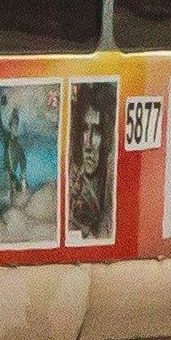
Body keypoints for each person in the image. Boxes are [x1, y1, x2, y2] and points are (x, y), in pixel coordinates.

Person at [68, 90, 113, 241]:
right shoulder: (73, 182)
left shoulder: (110, 187)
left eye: (97, 132)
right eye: (85, 129)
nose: (88, 144)